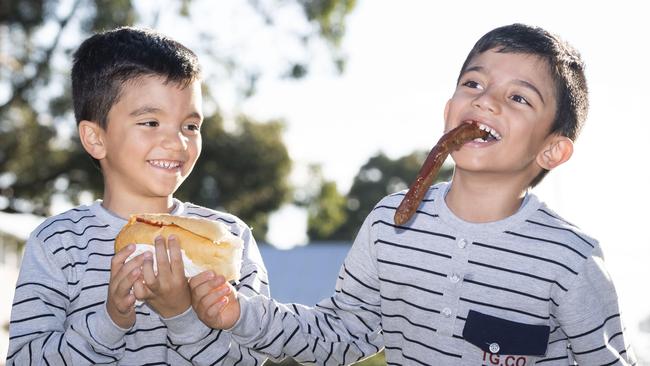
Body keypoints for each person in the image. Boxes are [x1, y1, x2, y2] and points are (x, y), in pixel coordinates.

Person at [189, 23, 637, 365]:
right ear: (449, 111)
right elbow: (343, 332)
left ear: (553, 150)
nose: (486, 101)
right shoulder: (389, 223)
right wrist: (240, 314)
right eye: (474, 84)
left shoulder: (569, 258)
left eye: (519, 98)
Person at [7, 27, 269, 365]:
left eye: (190, 126)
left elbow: (252, 359)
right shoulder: (59, 243)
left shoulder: (231, 240)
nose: (177, 143)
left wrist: (182, 316)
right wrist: (111, 320)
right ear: (95, 138)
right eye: (150, 122)